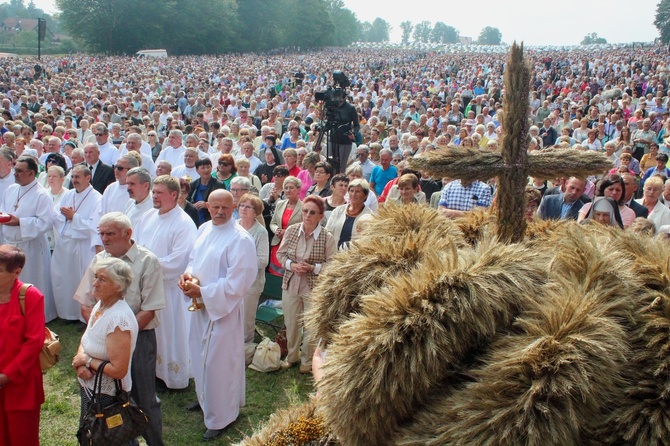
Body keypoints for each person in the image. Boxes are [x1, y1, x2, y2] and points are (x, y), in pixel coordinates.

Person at [73, 213, 166, 446]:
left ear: (128, 234)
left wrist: (123, 337)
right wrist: (97, 342)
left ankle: (155, 443)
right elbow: (86, 303)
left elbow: (150, 309)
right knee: (106, 402)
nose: (104, 238)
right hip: (102, 343)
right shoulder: (99, 259)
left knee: (144, 398)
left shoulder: (147, 260)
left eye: (110, 233)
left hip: (139, 338)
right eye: (101, 233)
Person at [179, 190, 257, 441]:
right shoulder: (203, 230)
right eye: (215, 207)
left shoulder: (240, 239)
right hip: (200, 306)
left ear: (233, 206)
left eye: (225, 207)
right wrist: (187, 276)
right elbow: (193, 260)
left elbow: (239, 282)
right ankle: (205, 402)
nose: (220, 212)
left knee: (218, 364)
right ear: (208, 208)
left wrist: (203, 291)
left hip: (223, 310)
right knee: (198, 356)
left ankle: (221, 416)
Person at [134, 176, 197, 390]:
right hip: (147, 286)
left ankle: (171, 376)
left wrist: (146, 265)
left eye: (159, 192)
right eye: (153, 191)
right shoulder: (148, 216)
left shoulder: (184, 223)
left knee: (169, 333)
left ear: (174, 195)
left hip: (169, 290)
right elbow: (138, 246)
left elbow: (180, 260)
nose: (154, 196)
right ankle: (152, 370)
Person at [71, 258, 139, 445]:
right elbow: (87, 339)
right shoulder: (101, 306)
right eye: (95, 277)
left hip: (108, 397)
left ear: (118, 286)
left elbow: (119, 370)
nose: (95, 283)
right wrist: (81, 364)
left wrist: (87, 361)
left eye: (102, 279)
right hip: (91, 389)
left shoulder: (118, 319)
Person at [277, 195, 336, 373]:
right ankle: (292, 357)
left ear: (320, 216)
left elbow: (333, 264)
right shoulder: (292, 230)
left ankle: (307, 361)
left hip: (314, 287)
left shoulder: (327, 236)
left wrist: (313, 267)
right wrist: (292, 265)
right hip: (291, 283)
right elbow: (281, 255)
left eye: (312, 212)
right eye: (305, 211)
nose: (307, 215)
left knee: (311, 325)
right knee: (291, 322)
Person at [0, 156, 55, 321]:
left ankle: (34, 315)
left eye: (19, 171)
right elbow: (3, 207)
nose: (15, 173)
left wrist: (20, 222)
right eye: (15, 169)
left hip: (30, 245)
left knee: (31, 280)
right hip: (10, 241)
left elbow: (45, 222)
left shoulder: (42, 195)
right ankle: (11, 310)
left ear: (31, 173)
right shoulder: (11, 189)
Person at [0, 245, 45, 446]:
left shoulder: (29, 295)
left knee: (22, 438)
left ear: (16, 272)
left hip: (20, 384)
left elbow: (34, 341)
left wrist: (7, 375)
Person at [52, 164, 102, 321]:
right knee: (63, 278)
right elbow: (58, 217)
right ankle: (65, 313)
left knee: (80, 281)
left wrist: (74, 217)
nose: (74, 180)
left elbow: (95, 226)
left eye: (77, 177)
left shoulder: (97, 198)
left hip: (82, 246)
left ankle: (81, 315)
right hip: (65, 242)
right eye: (72, 177)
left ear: (88, 178)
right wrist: (65, 217)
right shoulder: (68, 194)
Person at [237, 193, 269, 363]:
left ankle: (245, 352)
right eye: (242, 205)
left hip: (251, 284)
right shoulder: (233, 226)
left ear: (256, 212)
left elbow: (263, 260)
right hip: (233, 282)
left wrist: (240, 262)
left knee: (246, 320)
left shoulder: (260, 232)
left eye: (248, 207)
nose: (243, 209)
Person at [269, 176, 303, 277]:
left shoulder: (304, 207)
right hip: (277, 244)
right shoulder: (280, 204)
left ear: (298, 189)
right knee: (274, 274)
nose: (288, 190)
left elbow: (305, 227)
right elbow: (273, 223)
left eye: (291, 188)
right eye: (286, 188)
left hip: (293, 246)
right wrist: (277, 230)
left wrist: (287, 232)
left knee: (288, 274)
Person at [326, 178, 373, 249]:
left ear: (365, 195)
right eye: (351, 191)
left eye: (358, 192)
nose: (354, 194)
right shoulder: (338, 210)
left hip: (353, 257)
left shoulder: (369, 216)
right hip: (333, 254)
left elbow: (368, 240)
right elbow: (328, 231)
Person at [187, 158, 223, 225]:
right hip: (195, 220)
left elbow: (222, 202)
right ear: (197, 170)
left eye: (208, 167)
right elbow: (186, 203)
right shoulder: (193, 185)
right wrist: (192, 207)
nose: (206, 170)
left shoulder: (218, 185)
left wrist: (207, 205)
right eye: (203, 168)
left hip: (210, 219)